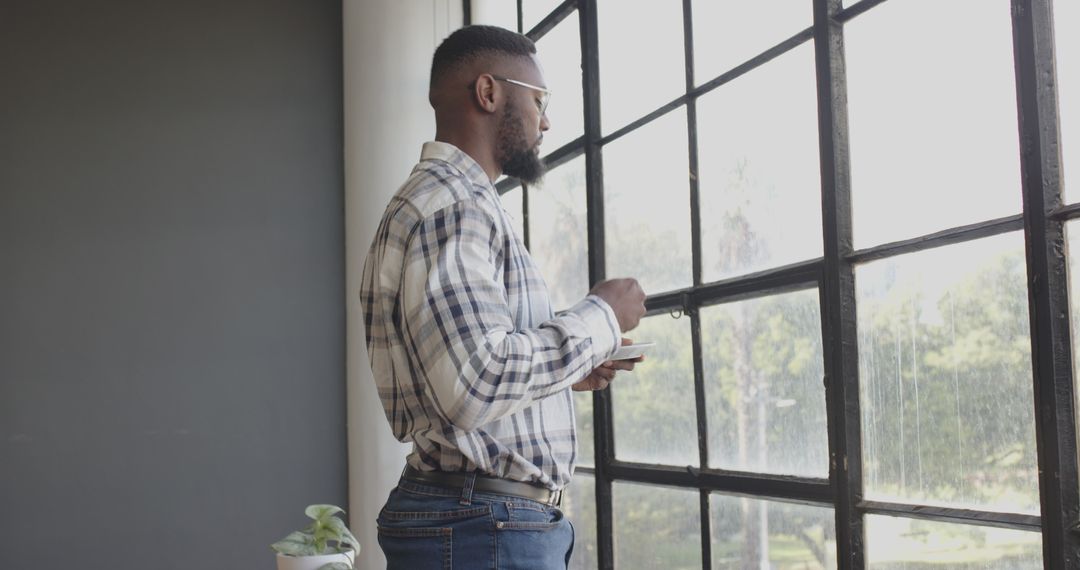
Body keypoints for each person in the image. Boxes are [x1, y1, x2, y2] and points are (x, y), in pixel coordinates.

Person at [359, 24, 647, 569]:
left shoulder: (436, 203)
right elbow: (474, 385)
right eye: (539, 99)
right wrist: (601, 317)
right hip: (484, 528)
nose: (546, 120)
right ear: (489, 93)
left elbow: (458, 375)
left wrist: (568, 370)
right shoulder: (453, 204)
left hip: (474, 520)